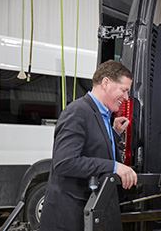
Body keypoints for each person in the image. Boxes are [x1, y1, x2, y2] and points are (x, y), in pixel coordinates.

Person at [40, 60, 138, 231]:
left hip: (91, 213)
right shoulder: (77, 112)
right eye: (124, 90)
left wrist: (113, 133)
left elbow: (94, 149)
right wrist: (115, 166)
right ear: (106, 83)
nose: (126, 98)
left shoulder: (104, 115)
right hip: (71, 217)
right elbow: (65, 162)